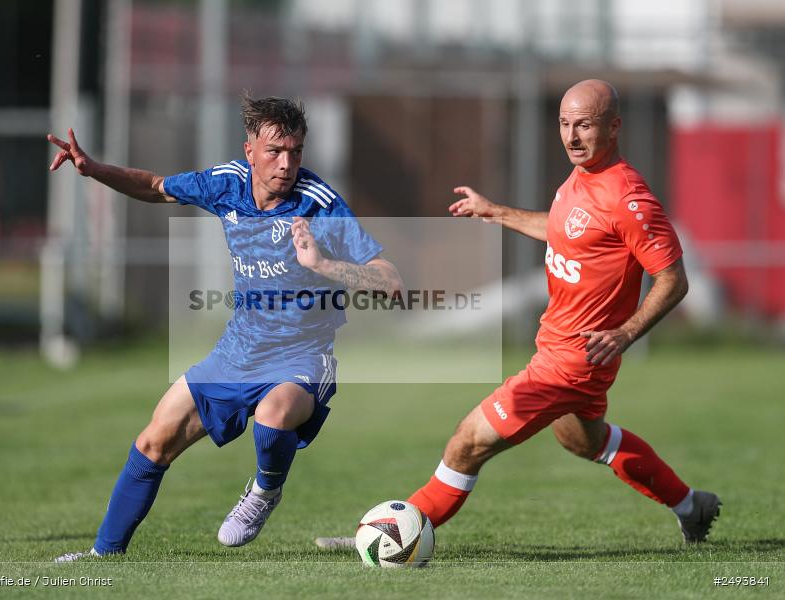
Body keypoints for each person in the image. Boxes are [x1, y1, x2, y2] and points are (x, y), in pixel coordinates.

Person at [317, 79, 720, 550]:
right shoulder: (580, 178)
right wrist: (495, 212)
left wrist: (626, 332)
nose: (571, 137)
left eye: (584, 126)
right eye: (565, 124)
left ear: (613, 127)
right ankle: (691, 506)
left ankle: (389, 537)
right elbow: (562, 232)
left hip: (572, 361)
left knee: (468, 441)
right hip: (561, 349)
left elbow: (674, 280)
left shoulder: (628, 198)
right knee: (583, 441)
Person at [49, 94, 402, 561]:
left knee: (274, 416)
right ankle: (102, 557)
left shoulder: (320, 203)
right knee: (154, 440)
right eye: (275, 151)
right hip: (237, 352)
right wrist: (93, 169)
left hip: (302, 355)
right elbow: (155, 186)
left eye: (295, 151)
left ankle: (265, 491)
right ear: (249, 150)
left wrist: (322, 263)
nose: (287, 163)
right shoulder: (226, 183)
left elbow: (391, 281)